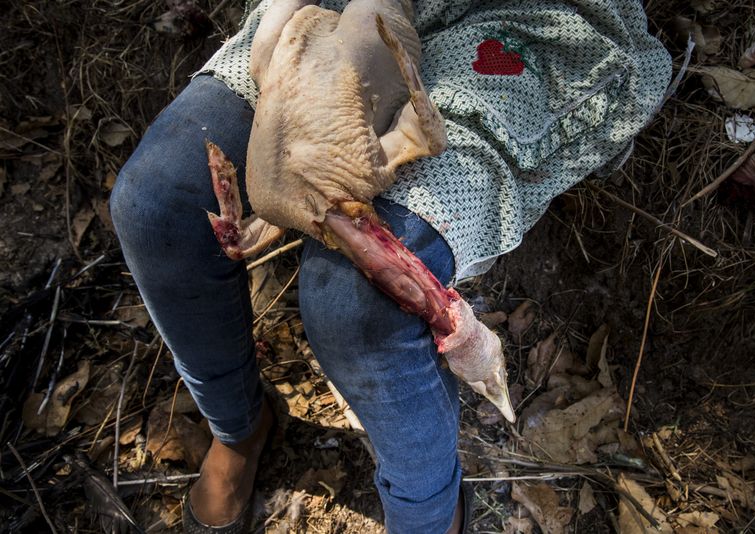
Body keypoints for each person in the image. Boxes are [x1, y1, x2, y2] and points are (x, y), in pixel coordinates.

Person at [109, 1, 671, 532]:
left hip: (509, 22)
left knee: (358, 304)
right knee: (155, 205)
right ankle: (237, 428)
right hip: (329, 17)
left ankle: (431, 515)